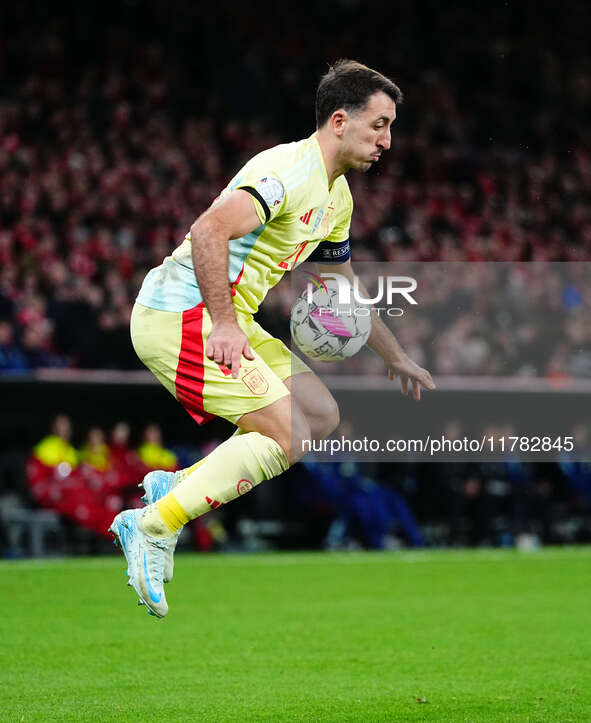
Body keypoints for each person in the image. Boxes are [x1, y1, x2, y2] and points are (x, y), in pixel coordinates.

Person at [110, 59, 435, 617]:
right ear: (339, 120)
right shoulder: (288, 170)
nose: (388, 141)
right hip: (182, 314)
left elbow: (344, 290)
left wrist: (396, 355)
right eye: (379, 125)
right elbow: (208, 229)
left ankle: (176, 487)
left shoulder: (337, 199)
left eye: (390, 127)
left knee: (320, 414)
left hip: (226, 315)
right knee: (287, 433)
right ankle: (155, 526)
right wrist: (228, 324)